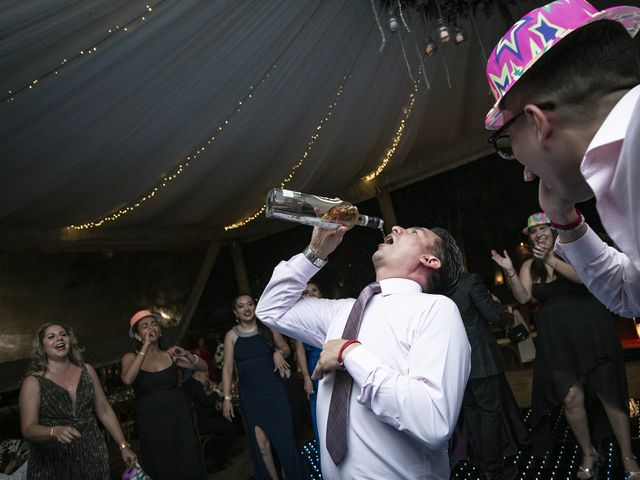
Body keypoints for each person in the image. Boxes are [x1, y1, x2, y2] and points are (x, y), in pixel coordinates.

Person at [256, 224, 471, 479]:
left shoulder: (436, 310)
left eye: (414, 232)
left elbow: (434, 421)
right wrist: (315, 252)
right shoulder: (341, 311)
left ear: (430, 260)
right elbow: (271, 309)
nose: (396, 227)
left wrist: (350, 353)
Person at [484, 0, 640, 317]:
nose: (526, 170)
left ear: (537, 122)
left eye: (508, 140)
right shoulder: (623, 168)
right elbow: (628, 294)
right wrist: (564, 220)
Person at [491, 213, 639, 479]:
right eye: (534, 231)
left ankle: (627, 454)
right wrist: (510, 270)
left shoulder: (574, 253)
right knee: (571, 398)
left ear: (555, 231)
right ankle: (588, 452)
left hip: (593, 333)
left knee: (610, 395)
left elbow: (583, 278)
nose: (539, 234)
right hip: (557, 342)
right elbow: (523, 296)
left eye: (544, 228)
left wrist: (550, 259)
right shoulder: (529, 267)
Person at [19, 323, 136, 480]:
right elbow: (28, 429)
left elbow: (104, 409)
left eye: (63, 334)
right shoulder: (33, 382)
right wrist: (53, 431)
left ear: (70, 340)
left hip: (92, 454)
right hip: (53, 463)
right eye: (51, 336)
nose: (59, 338)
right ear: (42, 348)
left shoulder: (87, 371)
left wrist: (123, 445)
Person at [449, 270, 527, 480]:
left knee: (473, 413)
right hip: (481, 360)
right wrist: (503, 310)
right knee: (490, 414)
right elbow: (494, 316)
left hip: (456, 363)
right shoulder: (469, 280)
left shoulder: (435, 285)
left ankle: (482, 463)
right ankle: (493, 471)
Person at [221, 294, 305, 480]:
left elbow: (286, 349)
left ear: (255, 306)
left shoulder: (267, 328)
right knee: (262, 445)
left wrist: (277, 352)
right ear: (236, 312)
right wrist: (226, 398)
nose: (247, 309)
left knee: (285, 442)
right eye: (241, 306)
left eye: (250, 304)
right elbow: (227, 368)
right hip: (250, 395)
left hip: (274, 392)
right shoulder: (231, 336)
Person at [120, 309, 206, 480]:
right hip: (152, 422)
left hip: (178, 417)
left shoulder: (170, 354)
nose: (151, 328)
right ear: (137, 336)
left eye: (154, 324)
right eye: (144, 326)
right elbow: (128, 379)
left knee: (186, 461)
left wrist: (187, 354)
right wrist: (145, 346)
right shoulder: (130, 357)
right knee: (162, 464)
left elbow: (203, 367)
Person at [181, 369, 235, 472]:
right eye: (206, 377)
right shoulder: (195, 385)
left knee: (225, 423)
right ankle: (216, 460)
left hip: (194, 423)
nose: (207, 380)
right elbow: (207, 401)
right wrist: (218, 390)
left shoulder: (188, 384)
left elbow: (202, 399)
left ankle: (215, 455)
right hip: (202, 424)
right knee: (231, 429)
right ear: (200, 374)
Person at [294, 281, 324, 447]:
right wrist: (306, 377)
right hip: (315, 368)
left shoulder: (332, 311)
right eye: (306, 292)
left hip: (337, 363)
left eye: (314, 289)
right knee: (319, 408)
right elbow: (299, 351)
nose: (311, 294)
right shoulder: (300, 320)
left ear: (320, 293)